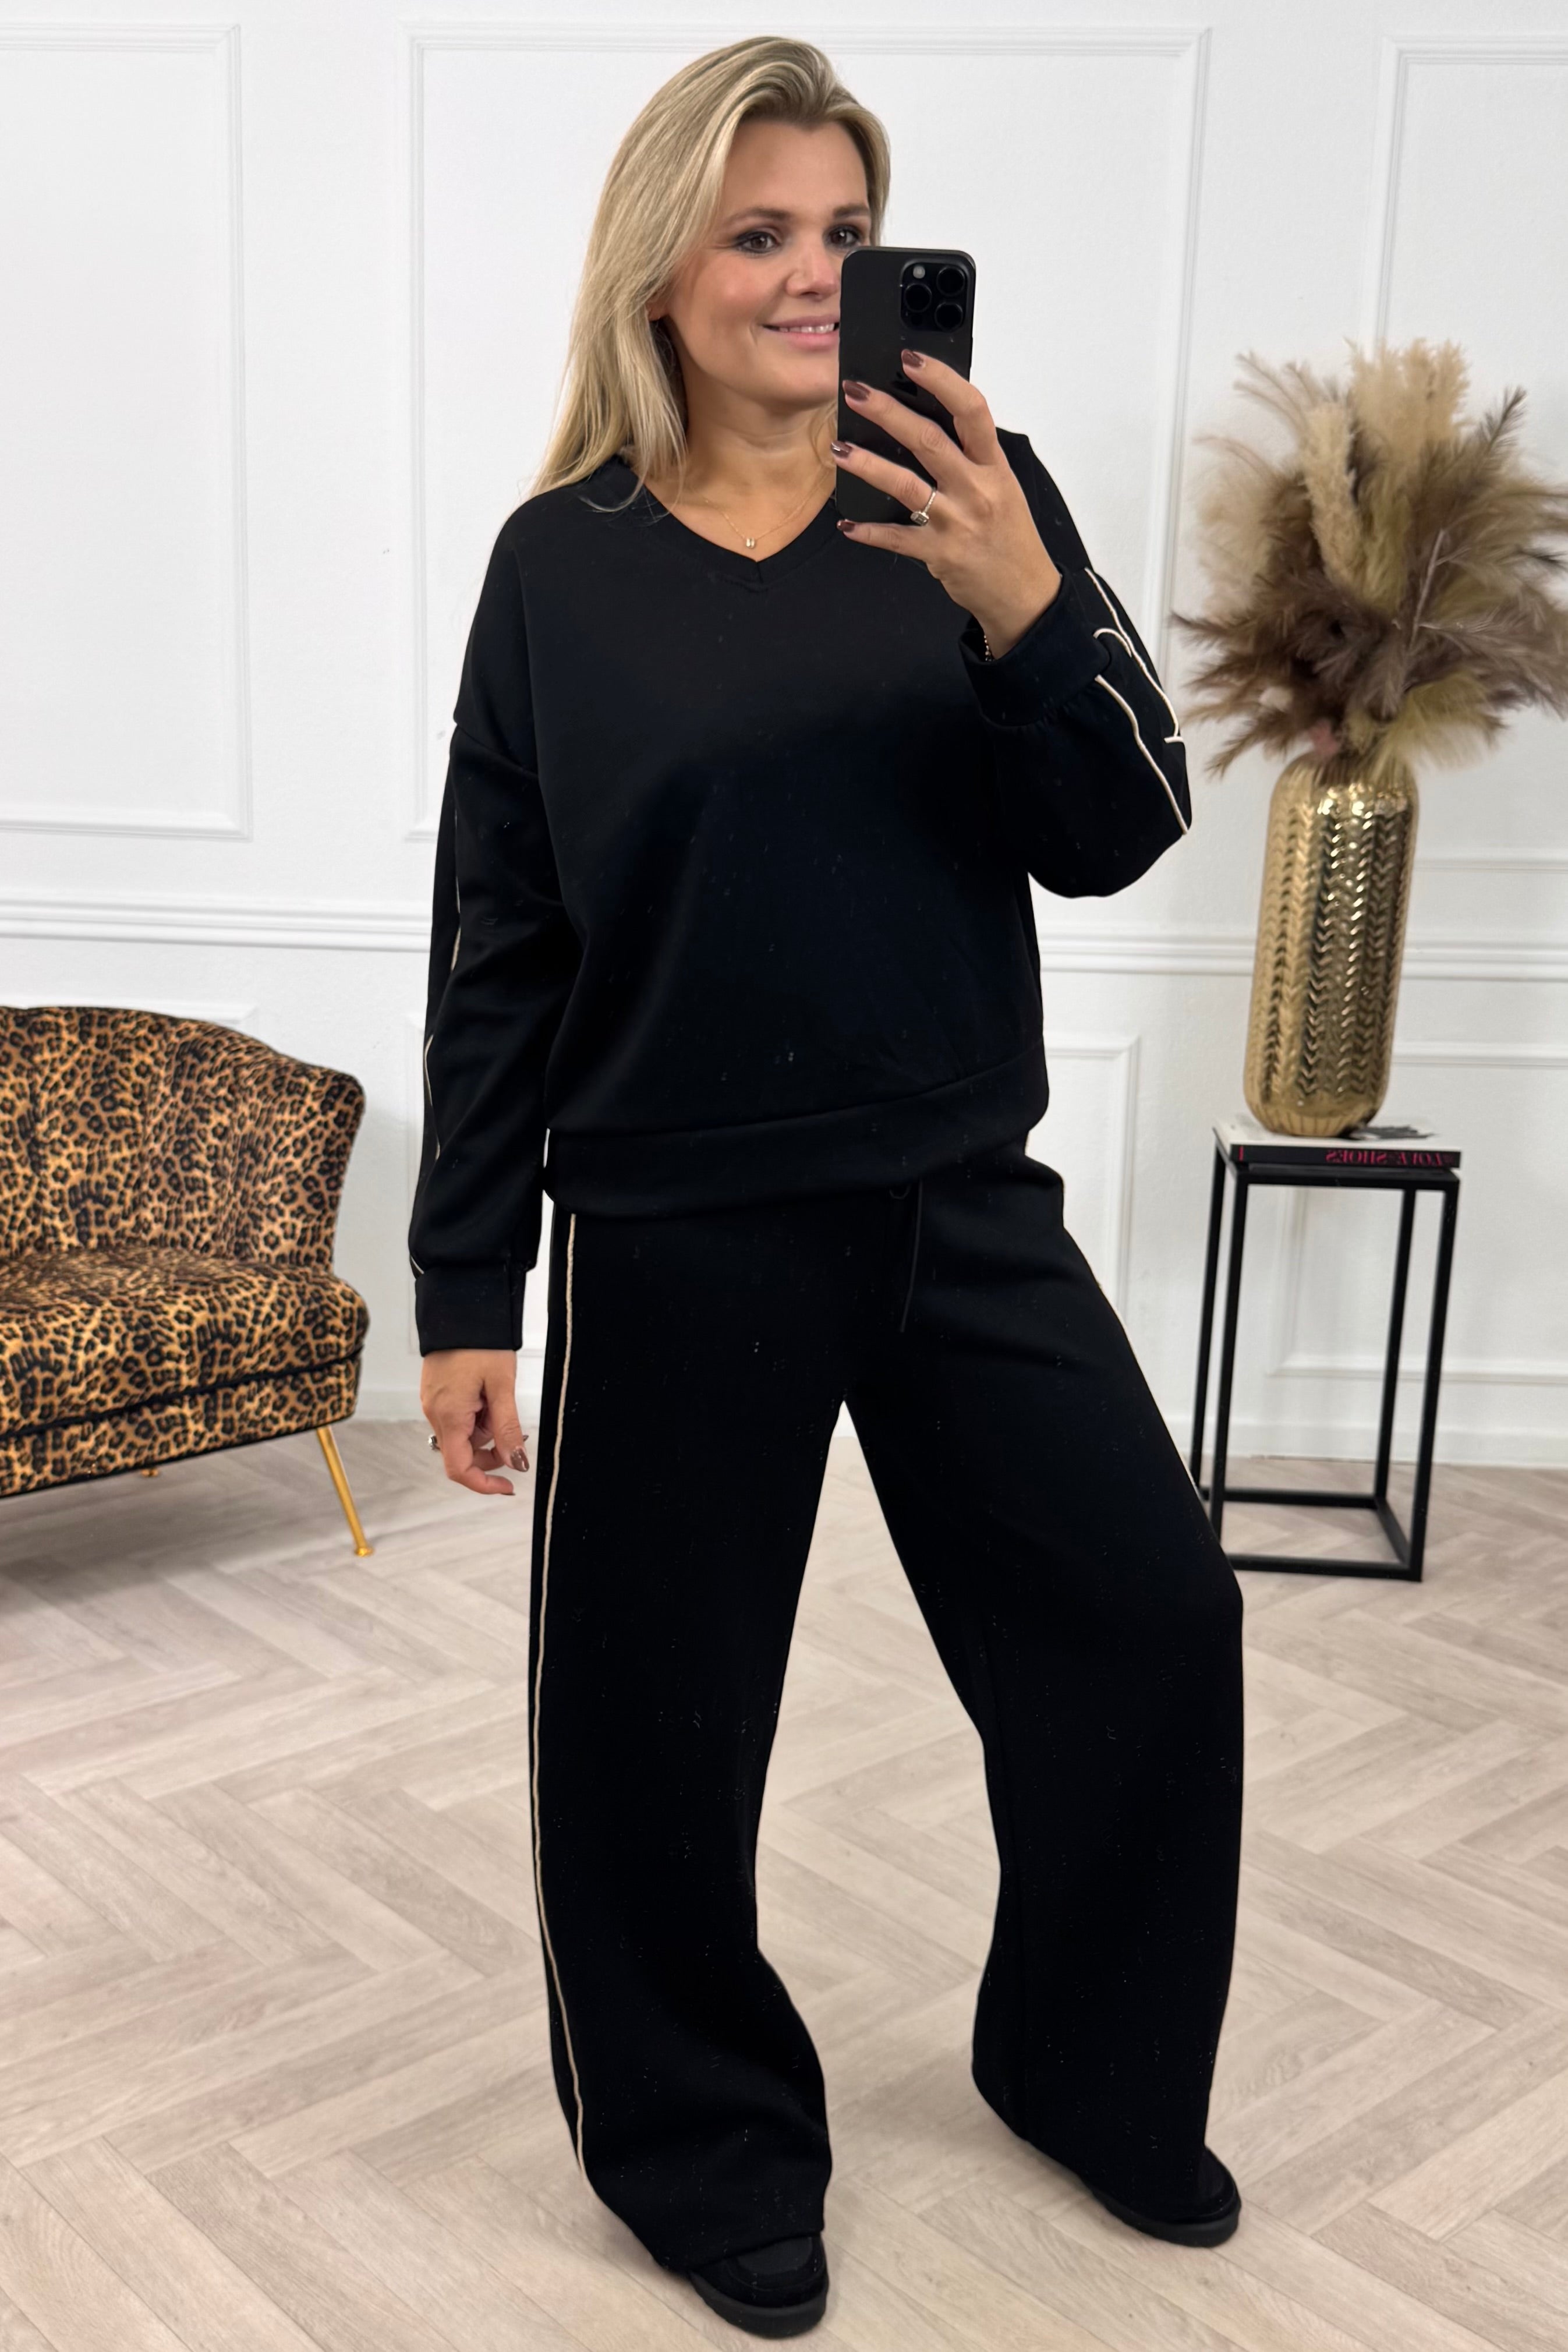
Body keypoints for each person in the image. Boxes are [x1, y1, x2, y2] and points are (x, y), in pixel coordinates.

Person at [411, 34, 1245, 2341]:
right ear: (661, 274)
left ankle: (1084, 2067)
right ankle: (703, 2149)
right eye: (761, 232)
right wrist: (468, 1281)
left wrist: (1022, 606)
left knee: (1151, 1622)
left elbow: (1118, 830)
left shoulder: (972, 486)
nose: (811, 274)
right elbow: (499, 942)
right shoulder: (559, 570)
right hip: (675, 1231)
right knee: (654, 1734)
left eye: (848, 234)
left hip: (956, 1196)